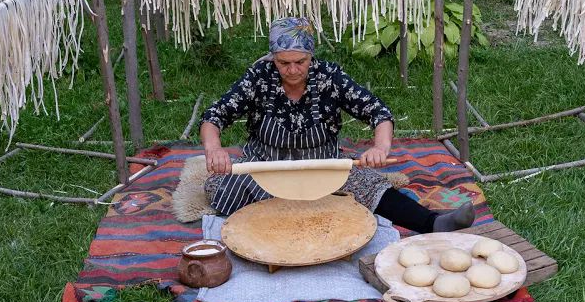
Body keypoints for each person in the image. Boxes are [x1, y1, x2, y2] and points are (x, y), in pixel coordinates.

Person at [200, 17, 474, 234]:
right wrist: (214, 150)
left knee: (369, 185)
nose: (292, 70)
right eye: (284, 63)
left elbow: (378, 112)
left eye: (300, 62)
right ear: (273, 58)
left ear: (311, 57)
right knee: (223, 188)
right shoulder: (259, 77)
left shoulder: (329, 77)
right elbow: (214, 116)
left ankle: (433, 223)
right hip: (267, 165)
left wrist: (380, 146)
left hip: (323, 165)